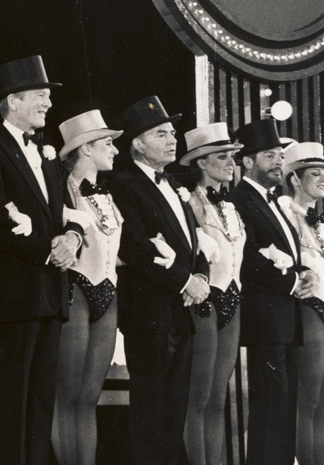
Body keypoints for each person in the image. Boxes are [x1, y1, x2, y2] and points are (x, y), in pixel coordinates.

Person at [0, 55, 83, 465]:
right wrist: (49, 251)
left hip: (51, 289)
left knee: (41, 399)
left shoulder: (48, 154)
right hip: (17, 290)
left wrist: (72, 237)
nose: (48, 103)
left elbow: (65, 213)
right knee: (15, 397)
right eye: (40, 95)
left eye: (48, 96)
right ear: (13, 101)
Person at [108, 96, 211, 465]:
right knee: (151, 410)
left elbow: (194, 243)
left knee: (174, 410)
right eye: (162, 134)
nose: (173, 140)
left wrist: (199, 275)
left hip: (180, 311)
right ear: (137, 142)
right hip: (150, 313)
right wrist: (186, 282)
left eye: (173, 133)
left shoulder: (172, 185)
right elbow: (135, 247)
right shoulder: (123, 184)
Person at [227, 119, 317, 465]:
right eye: (269, 156)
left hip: (285, 318)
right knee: (269, 407)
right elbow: (247, 257)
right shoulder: (240, 200)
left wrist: (303, 272)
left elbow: (288, 254)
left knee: (283, 407)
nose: (278, 162)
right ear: (247, 161)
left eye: (280, 156)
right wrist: (292, 282)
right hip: (265, 318)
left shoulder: (273, 202)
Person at [50, 110, 123, 465]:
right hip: (74, 290)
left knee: (90, 397)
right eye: (108, 143)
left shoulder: (108, 195)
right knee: (68, 395)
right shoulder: (59, 191)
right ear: (86, 149)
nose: (115, 150)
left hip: (108, 293)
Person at [176, 122, 245, 465]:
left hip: (233, 299)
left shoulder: (231, 205)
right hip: (204, 300)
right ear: (201, 163)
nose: (231, 162)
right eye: (222, 156)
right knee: (199, 398)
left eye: (233, 156)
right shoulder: (188, 202)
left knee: (219, 398)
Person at [279, 142, 324, 465]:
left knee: (321, 405)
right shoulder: (284, 213)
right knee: (305, 404)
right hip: (305, 313)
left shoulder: (318, 221)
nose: (323, 179)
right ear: (295, 179)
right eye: (315, 173)